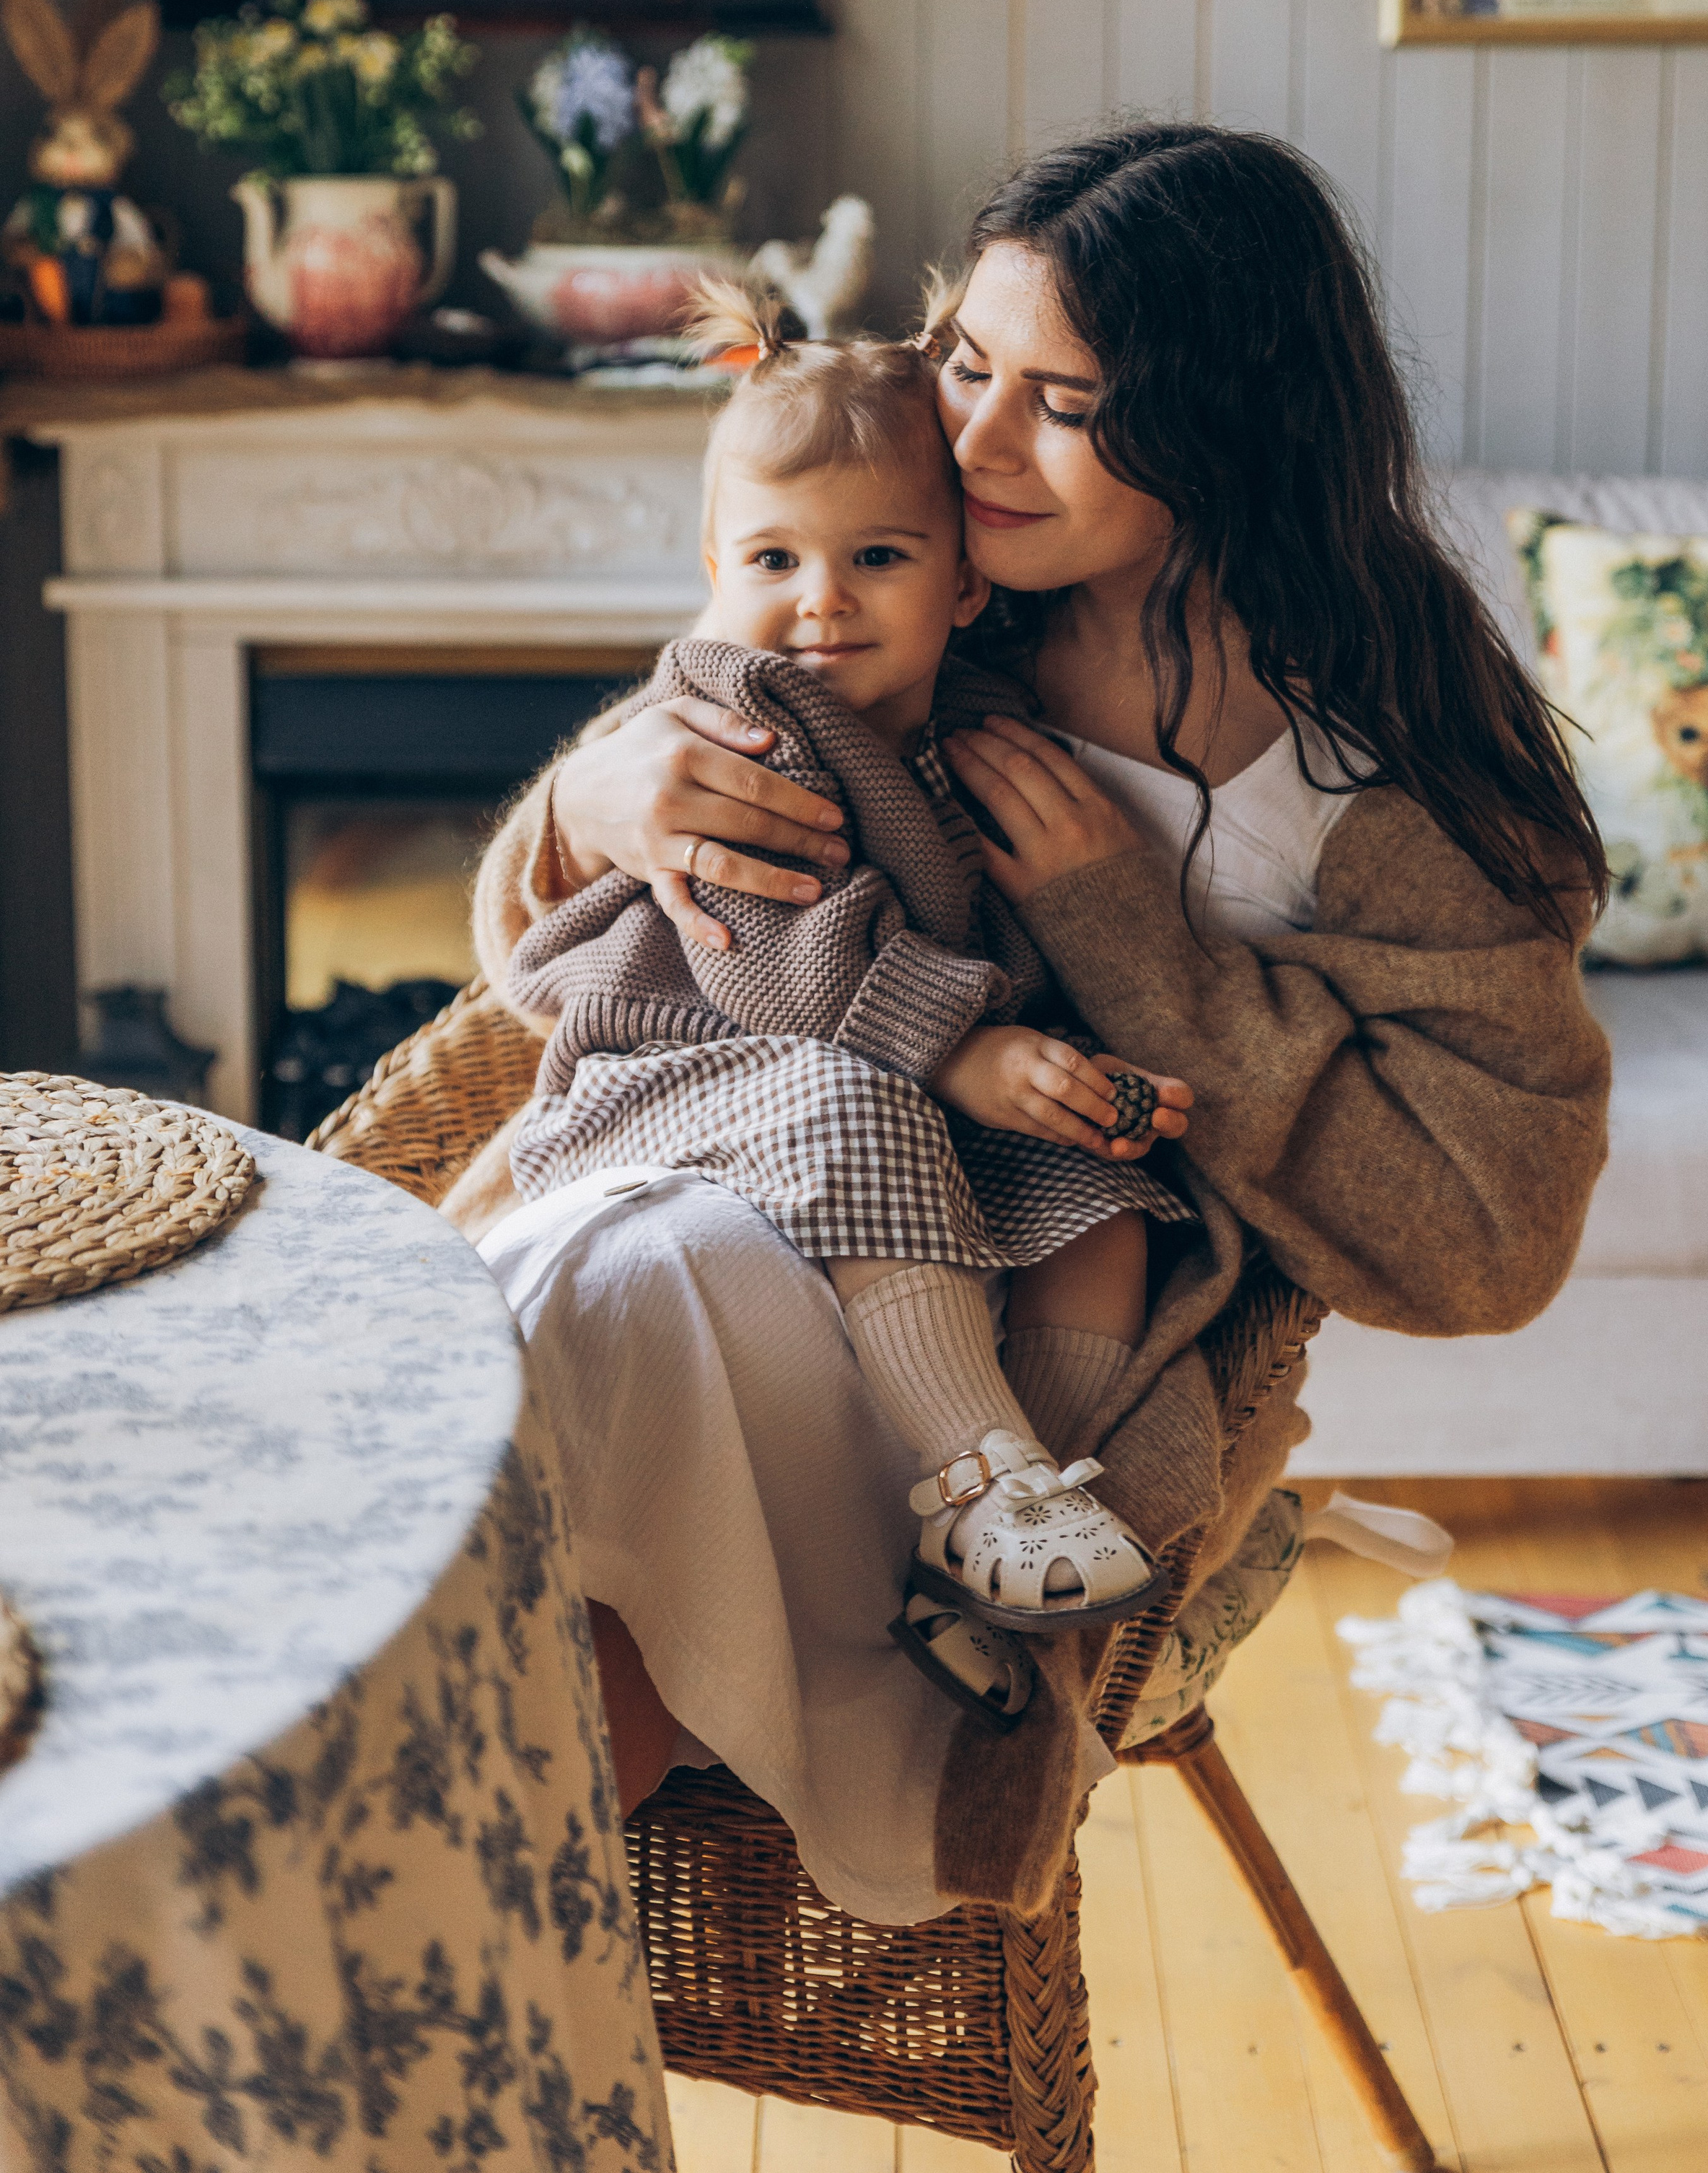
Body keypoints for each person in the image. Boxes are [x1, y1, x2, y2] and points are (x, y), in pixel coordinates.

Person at [460, 124, 1612, 1928]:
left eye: (1059, 402)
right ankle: (447, 1971)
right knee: (626, 1313)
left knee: (621, 1342)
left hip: (1008, 1334)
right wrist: (597, 798)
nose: (976, 438)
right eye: (966, 365)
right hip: (747, 1185)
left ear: (1225, 427)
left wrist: (1131, 940)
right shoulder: (910, 594)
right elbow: (578, 938)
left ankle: (436, 1938)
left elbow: (1484, 1243)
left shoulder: (1367, 765)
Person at [498, 279, 1202, 1726]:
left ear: (962, 584)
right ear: (710, 563)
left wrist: (1060, 1073)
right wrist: (966, 1047)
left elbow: (971, 927)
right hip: (673, 1067)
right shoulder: (736, 718)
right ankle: (969, 1474)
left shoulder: (947, 729)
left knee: (1104, 1200)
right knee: (856, 1095)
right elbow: (772, 949)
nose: (818, 599)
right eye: (772, 556)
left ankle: (1010, 1542)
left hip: (866, 1061)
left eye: (875, 556)